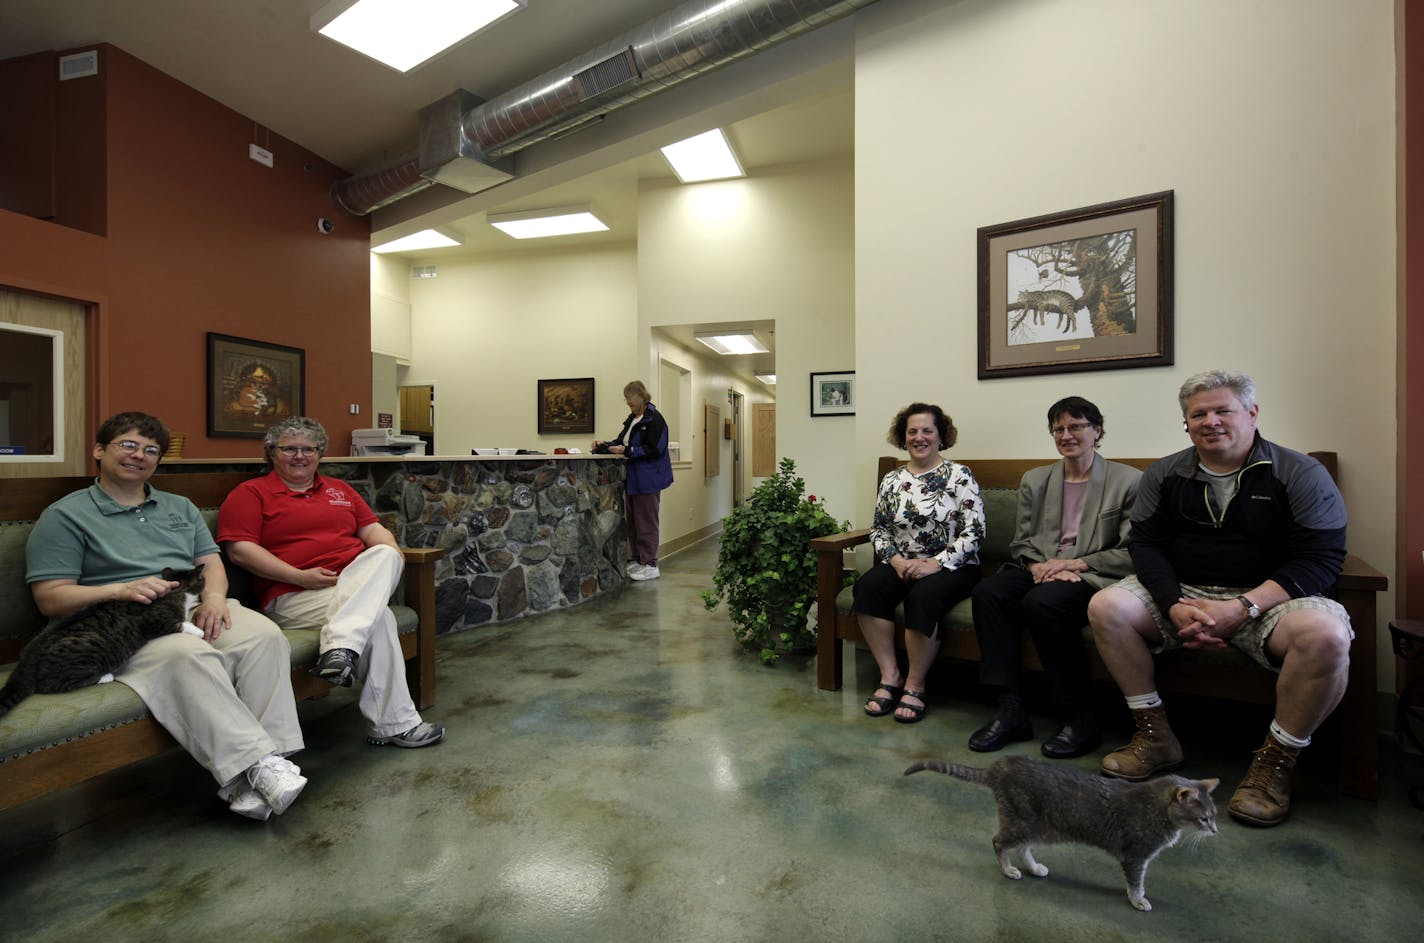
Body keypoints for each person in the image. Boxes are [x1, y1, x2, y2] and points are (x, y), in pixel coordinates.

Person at [1087, 370, 1352, 827]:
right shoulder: (1164, 473)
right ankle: (1155, 737)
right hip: (1185, 593)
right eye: (1198, 414)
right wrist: (1172, 603)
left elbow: (1322, 558)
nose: (1210, 421)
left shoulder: (1299, 472)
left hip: (1271, 598)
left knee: (1326, 634)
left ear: (1251, 414)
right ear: (1186, 423)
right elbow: (1145, 547)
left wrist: (1243, 607)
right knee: (1107, 605)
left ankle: (1275, 764)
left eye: (1222, 410)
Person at [25, 412, 307, 821]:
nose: (139, 455)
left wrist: (214, 598)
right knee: (185, 655)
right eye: (128, 444)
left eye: (151, 450)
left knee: (262, 637)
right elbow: (50, 598)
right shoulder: (65, 516)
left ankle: (273, 762)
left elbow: (211, 563)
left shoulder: (180, 507)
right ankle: (257, 769)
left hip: (192, 607)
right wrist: (119, 590)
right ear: (99, 450)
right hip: (118, 626)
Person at [217, 417, 445, 750]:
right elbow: (240, 552)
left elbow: (373, 532)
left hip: (350, 587)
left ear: (319, 454)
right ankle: (393, 722)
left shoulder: (340, 490)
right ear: (271, 453)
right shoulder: (250, 494)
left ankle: (342, 648)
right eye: (289, 449)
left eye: (308, 449)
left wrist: (392, 553)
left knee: (386, 553)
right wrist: (298, 576)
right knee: (379, 617)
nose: (300, 456)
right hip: (294, 593)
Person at [967, 397, 1141, 758]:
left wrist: (1075, 565)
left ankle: (1077, 715)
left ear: (1097, 431)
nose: (1067, 435)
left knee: (1042, 603)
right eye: (1058, 429)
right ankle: (1010, 708)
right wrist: (1036, 566)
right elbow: (1022, 541)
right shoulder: (1036, 479)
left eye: (1076, 426)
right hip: (1041, 568)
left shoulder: (1128, 481)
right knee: (989, 593)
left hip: (1092, 574)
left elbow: (1133, 551)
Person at [852, 403, 985, 723]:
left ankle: (915, 684)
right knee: (867, 588)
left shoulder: (959, 475)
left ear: (941, 436)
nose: (919, 437)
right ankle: (890, 676)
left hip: (954, 565)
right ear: (903, 436)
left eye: (927, 430)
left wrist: (936, 563)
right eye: (912, 431)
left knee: (923, 598)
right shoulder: (892, 479)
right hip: (902, 562)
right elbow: (880, 529)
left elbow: (975, 531)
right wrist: (895, 560)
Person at [592, 380, 674, 582]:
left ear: (642, 396)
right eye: (626, 397)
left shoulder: (654, 419)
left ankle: (650, 563)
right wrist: (604, 445)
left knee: (647, 521)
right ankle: (638, 558)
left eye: (631, 397)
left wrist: (628, 451)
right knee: (634, 522)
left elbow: (656, 449)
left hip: (649, 478)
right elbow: (621, 442)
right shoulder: (632, 419)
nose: (628, 401)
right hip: (633, 478)